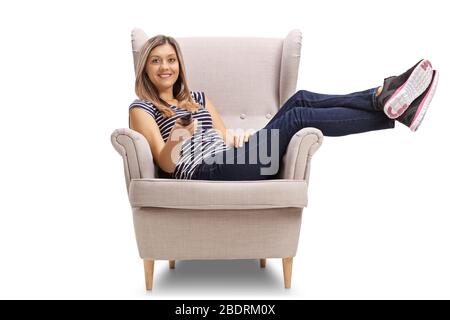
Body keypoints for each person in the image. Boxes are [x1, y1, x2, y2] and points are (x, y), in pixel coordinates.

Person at [129, 35, 439, 181]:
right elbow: (165, 165)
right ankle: (387, 101)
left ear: (179, 64)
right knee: (298, 117)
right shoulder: (142, 108)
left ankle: (385, 99)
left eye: (170, 60)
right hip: (207, 172)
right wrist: (178, 138)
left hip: (233, 158)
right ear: (146, 68)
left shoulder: (198, 97)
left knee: (301, 97)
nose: (165, 67)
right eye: (156, 61)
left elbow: (223, 139)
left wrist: (237, 138)